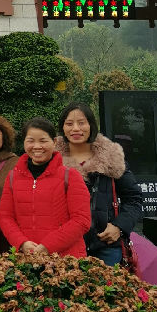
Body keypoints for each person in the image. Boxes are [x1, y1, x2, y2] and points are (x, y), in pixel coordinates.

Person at [56, 102, 142, 265]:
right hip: (64, 245)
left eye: (81, 123)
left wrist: (119, 227)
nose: (75, 128)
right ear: (63, 128)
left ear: (91, 125)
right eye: (69, 123)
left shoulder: (111, 158)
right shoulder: (52, 161)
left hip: (105, 246)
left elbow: (134, 199)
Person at [0, 117, 92, 258]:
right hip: (27, 258)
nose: (36, 146)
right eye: (30, 141)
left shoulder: (70, 176)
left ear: (54, 142)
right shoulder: (13, 177)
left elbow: (81, 220)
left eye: (43, 141)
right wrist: (21, 243)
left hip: (66, 259)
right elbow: (5, 217)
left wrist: (48, 246)